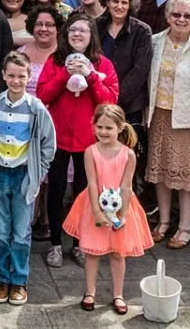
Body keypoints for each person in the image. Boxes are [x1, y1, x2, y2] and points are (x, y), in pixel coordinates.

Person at [37, 13, 120, 267]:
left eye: (83, 30)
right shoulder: (55, 61)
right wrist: (64, 74)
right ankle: (55, 244)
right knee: (56, 190)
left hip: (88, 140)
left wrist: (91, 75)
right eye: (73, 30)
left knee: (85, 192)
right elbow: (43, 94)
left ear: (91, 35)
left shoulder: (103, 63)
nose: (77, 34)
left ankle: (80, 243)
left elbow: (110, 101)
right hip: (59, 136)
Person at [62, 105, 154, 315]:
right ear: (93, 127)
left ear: (120, 127)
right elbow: (92, 182)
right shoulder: (90, 152)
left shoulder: (128, 154)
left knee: (117, 253)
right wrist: (97, 212)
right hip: (94, 205)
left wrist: (121, 216)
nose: (103, 132)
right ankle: (89, 292)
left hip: (121, 208)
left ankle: (118, 294)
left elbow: (126, 186)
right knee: (92, 253)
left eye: (109, 128)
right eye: (99, 127)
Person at [144, 0, 190, 250]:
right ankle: (164, 222)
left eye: (188, 16)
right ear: (167, 17)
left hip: (188, 121)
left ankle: (185, 225)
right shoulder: (155, 42)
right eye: (176, 14)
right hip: (159, 116)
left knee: (185, 178)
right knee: (161, 174)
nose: (181, 20)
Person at [0, 52, 57, 306]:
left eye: (21, 76)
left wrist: (38, 172)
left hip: (24, 175)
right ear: (3, 75)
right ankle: (2, 280)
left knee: (21, 233)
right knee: (1, 232)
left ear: (29, 77)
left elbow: (48, 144)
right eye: (11, 75)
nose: (16, 81)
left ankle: (19, 281)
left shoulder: (36, 108)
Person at [98, 0, 154, 135]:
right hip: (98, 101)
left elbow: (141, 69)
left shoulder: (142, 31)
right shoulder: (96, 26)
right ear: (107, 2)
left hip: (129, 106)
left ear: (131, 5)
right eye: (115, 1)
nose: (119, 6)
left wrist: (116, 97)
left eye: (124, 2)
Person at [18, 6, 61, 96]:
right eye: (38, 24)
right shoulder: (20, 53)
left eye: (49, 25)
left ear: (58, 29)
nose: (43, 29)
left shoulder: (64, 54)